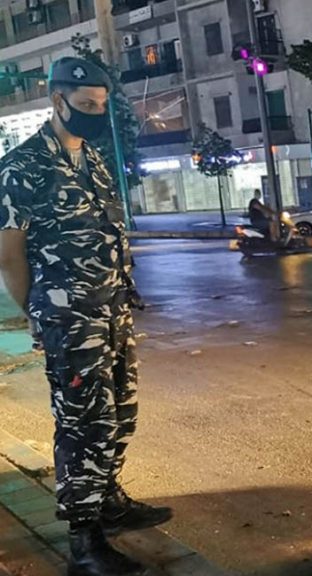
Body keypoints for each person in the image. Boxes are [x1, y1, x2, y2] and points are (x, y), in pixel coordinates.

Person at [0, 57, 172, 576]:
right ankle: (84, 539)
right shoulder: (22, 166)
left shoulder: (93, 159)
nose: (96, 113)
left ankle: (109, 501)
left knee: (120, 413)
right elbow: (9, 254)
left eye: (101, 105)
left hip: (113, 312)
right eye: (85, 105)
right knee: (83, 423)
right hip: (69, 319)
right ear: (57, 101)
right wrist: (39, 314)